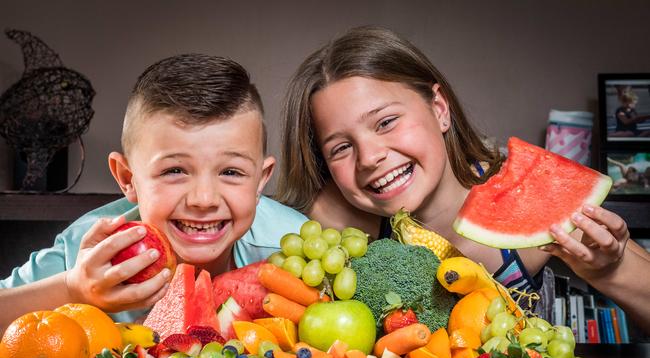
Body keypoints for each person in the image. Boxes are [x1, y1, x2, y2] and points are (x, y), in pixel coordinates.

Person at [275, 26, 650, 328]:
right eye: (341, 148)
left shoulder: (532, 194)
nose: (370, 157)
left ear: (439, 109)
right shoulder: (335, 222)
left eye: (386, 122)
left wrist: (611, 270)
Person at [0, 54, 307, 331]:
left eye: (230, 172)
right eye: (174, 171)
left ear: (261, 180)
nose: (203, 199)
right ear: (127, 178)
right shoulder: (89, 248)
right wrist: (72, 288)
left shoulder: (292, 247)